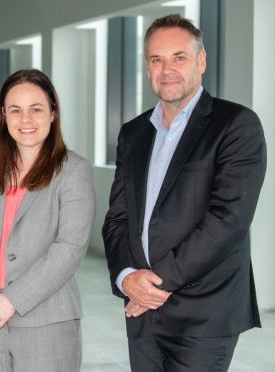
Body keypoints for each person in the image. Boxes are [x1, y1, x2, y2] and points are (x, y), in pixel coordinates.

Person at [103, 14, 266, 371]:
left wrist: (151, 287)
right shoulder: (133, 133)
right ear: (147, 67)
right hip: (141, 313)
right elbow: (117, 216)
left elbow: (228, 220)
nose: (167, 69)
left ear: (201, 61)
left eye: (179, 57)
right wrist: (125, 277)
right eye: (156, 59)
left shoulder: (236, 125)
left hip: (204, 313)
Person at [0, 69, 96, 371]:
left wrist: (12, 301)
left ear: (53, 113)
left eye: (36, 109)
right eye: (15, 110)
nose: (26, 120)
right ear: (3, 116)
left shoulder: (73, 171)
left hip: (47, 324)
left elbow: (70, 246)